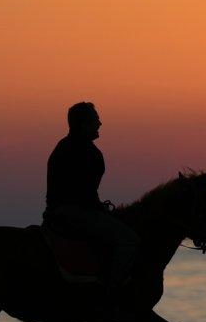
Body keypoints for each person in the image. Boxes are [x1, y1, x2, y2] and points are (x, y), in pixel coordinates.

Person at [44, 102, 139, 287]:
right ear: (83, 124)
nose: (100, 124)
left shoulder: (62, 146)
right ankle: (113, 290)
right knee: (129, 240)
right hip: (74, 213)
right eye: (96, 120)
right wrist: (101, 209)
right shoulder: (88, 152)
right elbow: (84, 195)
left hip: (57, 211)